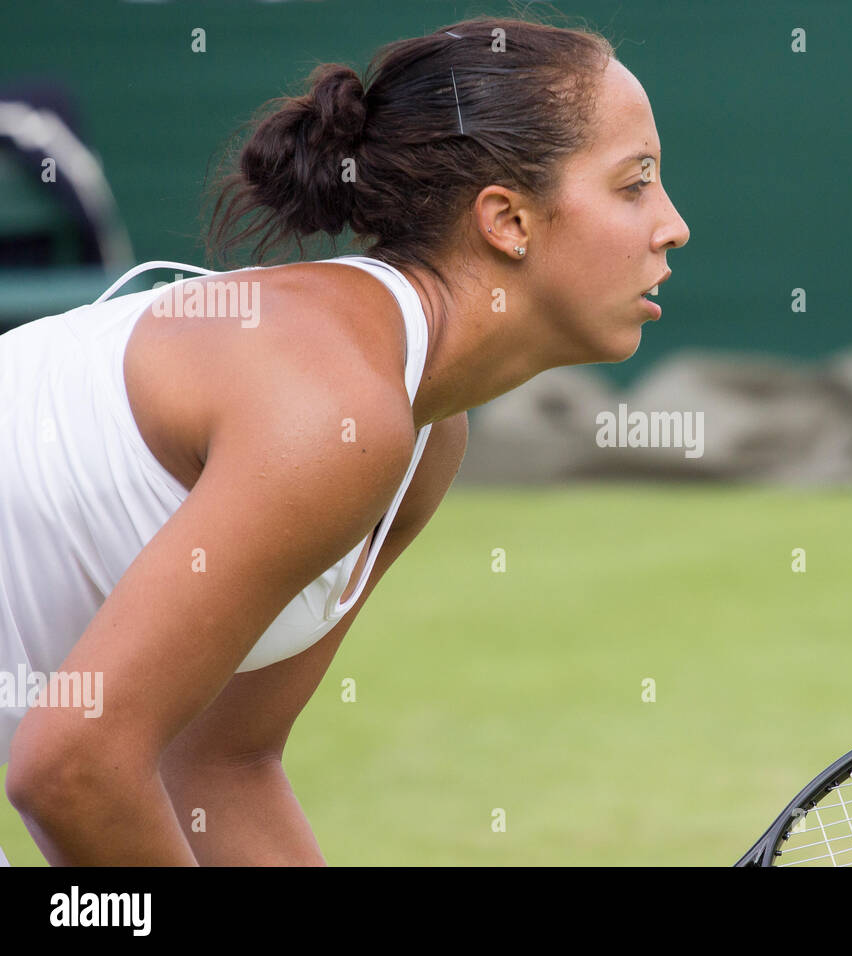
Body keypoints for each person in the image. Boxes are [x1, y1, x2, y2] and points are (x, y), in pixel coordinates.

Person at [0, 15, 689, 865]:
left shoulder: (421, 436)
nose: (673, 225)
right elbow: (71, 769)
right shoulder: (334, 417)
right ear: (508, 220)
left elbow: (219, 764)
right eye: (636, 184)